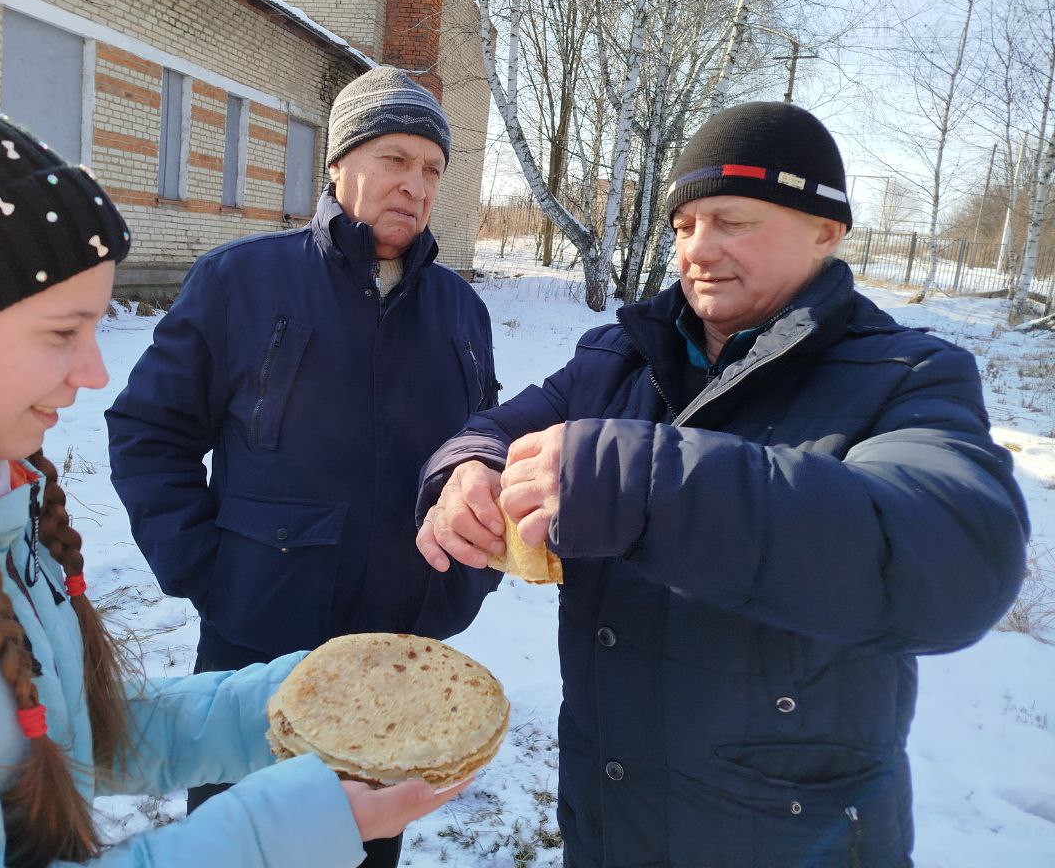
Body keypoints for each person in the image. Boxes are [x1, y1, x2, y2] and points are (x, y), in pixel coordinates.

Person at [0, 0, 465, 868]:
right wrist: (294, 823)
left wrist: (309, 698)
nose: (95, 371)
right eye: (62, 333)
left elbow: (78, 739)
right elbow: (154, 432)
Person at [414, 101, 1030, 868]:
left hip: (794, 833)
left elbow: (955, 565)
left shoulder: (904, 373)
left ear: (826, 231)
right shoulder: (620, 358)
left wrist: (646, 486)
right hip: (612, 814)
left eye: (732, 221)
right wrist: (463, 471)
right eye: (683, 225)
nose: (697, 250)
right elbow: (496, 430)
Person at [106, 64, 501, 866]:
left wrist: (465, 580)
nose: (415, 185)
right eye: (394, 158)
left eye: (431, 169)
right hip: (256, 652)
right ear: (338, 162)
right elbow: (150, 431)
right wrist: (209, 572)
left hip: (397, 654)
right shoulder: (241, 280)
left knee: (361, 847)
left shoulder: (461, 310)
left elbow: (478, 455)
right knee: (242, 843)